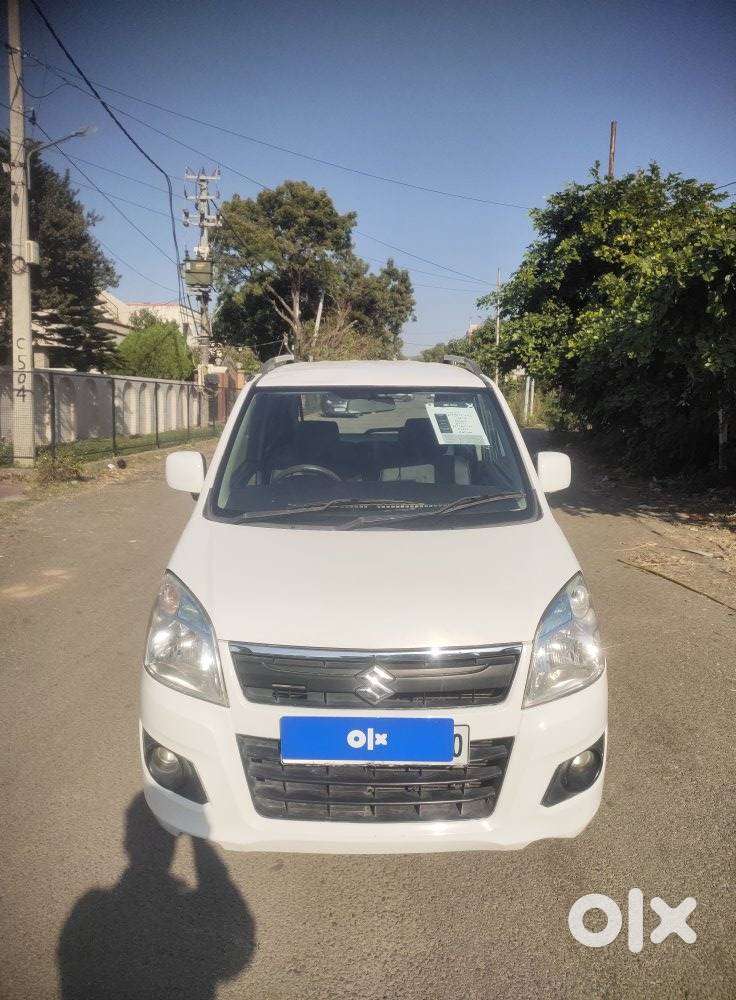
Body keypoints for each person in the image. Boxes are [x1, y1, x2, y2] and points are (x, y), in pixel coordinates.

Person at [58, 794, 254, 1000]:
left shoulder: (92, 908)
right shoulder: (94, 908)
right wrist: (200, 843)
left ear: (127, 843)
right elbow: (236, 943)